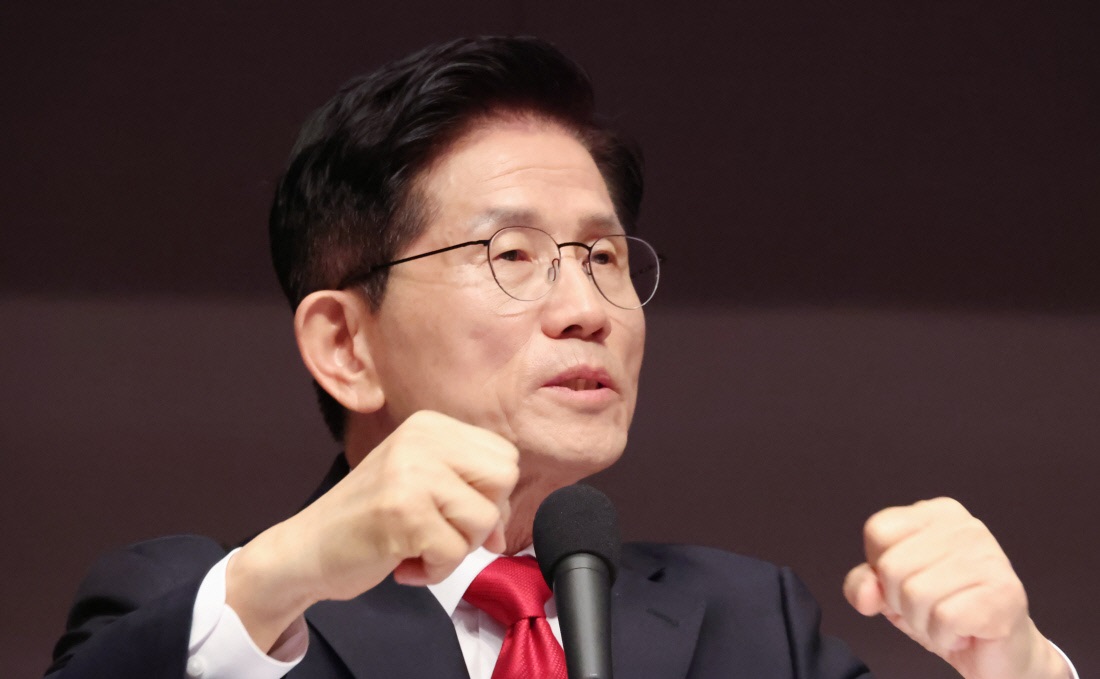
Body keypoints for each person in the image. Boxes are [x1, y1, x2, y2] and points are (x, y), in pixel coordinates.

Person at [47, 36, 1075, 679]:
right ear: (345, 344)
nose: (588, 309)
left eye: (604, 257)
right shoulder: (215, 603)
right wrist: (284, 575)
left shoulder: (747, 623)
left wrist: (1018, 663)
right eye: (510, 256)